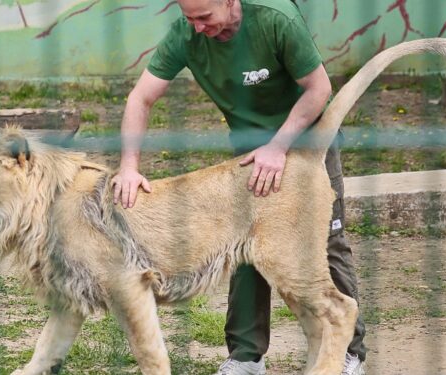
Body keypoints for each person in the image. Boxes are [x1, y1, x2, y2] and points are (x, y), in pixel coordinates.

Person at [110, 0, 366, 374]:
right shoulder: (187, 32)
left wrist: (279, 148)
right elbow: (141, 97)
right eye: (189, 18)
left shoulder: (276, 18)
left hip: (308, 140)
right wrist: (129, 167)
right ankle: (246, 357)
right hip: (250, 152)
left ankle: (348, 351)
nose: (196, 27)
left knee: (325, 242)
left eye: (204, 17)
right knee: (241, 243)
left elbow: (318, 88)